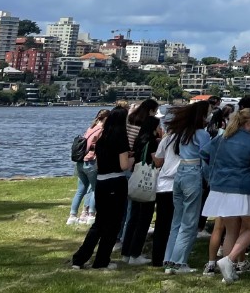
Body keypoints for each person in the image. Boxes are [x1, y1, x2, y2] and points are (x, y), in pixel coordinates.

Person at [205, 107, 250, 283]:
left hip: (221, 186)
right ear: (248, 122)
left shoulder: (221, 138)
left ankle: (228, 270)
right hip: (244, 187)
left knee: (231, 230)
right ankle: (229, 260)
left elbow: (204, 153)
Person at [71, 106, 134, 270]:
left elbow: (100, 163)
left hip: (101, 182)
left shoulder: (102, 137)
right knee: (113, 225)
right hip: (116, 182)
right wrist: (133, 160)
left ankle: (80, 258)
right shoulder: (120, 138)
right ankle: (101, 260)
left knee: (99, 222)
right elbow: (123, 165)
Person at [163, 100, 212, 275]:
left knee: (177, 220)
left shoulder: (183, 132)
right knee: (189, 222)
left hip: (180, 173)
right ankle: (179, 262)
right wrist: (209, 180)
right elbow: (206, 158)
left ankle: (169, 259)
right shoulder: (202, 134)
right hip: (193, 173)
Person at [120, 98, 163, 265]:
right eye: (158, 127)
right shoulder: (152, 143)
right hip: (147, 182)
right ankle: (135, 254)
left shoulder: (139, 141)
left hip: (136, 178)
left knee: (132, 218)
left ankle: (126, 251)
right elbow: (157, 162)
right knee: (144, 219)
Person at [68, 109, 108, 226]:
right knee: (96, 189)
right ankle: (91, 214)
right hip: (91, 161)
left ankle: (72, 215)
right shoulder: (102, 130)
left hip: (80, 161)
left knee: (80, 190)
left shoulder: (90, 128)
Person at [150, 114, 179, 268]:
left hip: (163, 184)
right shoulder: (186, 140)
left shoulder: (166, 140)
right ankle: (172, 255)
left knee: (162, 223)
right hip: (176, 184)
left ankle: (157, 257)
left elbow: (159, 161)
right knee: (176, 223)